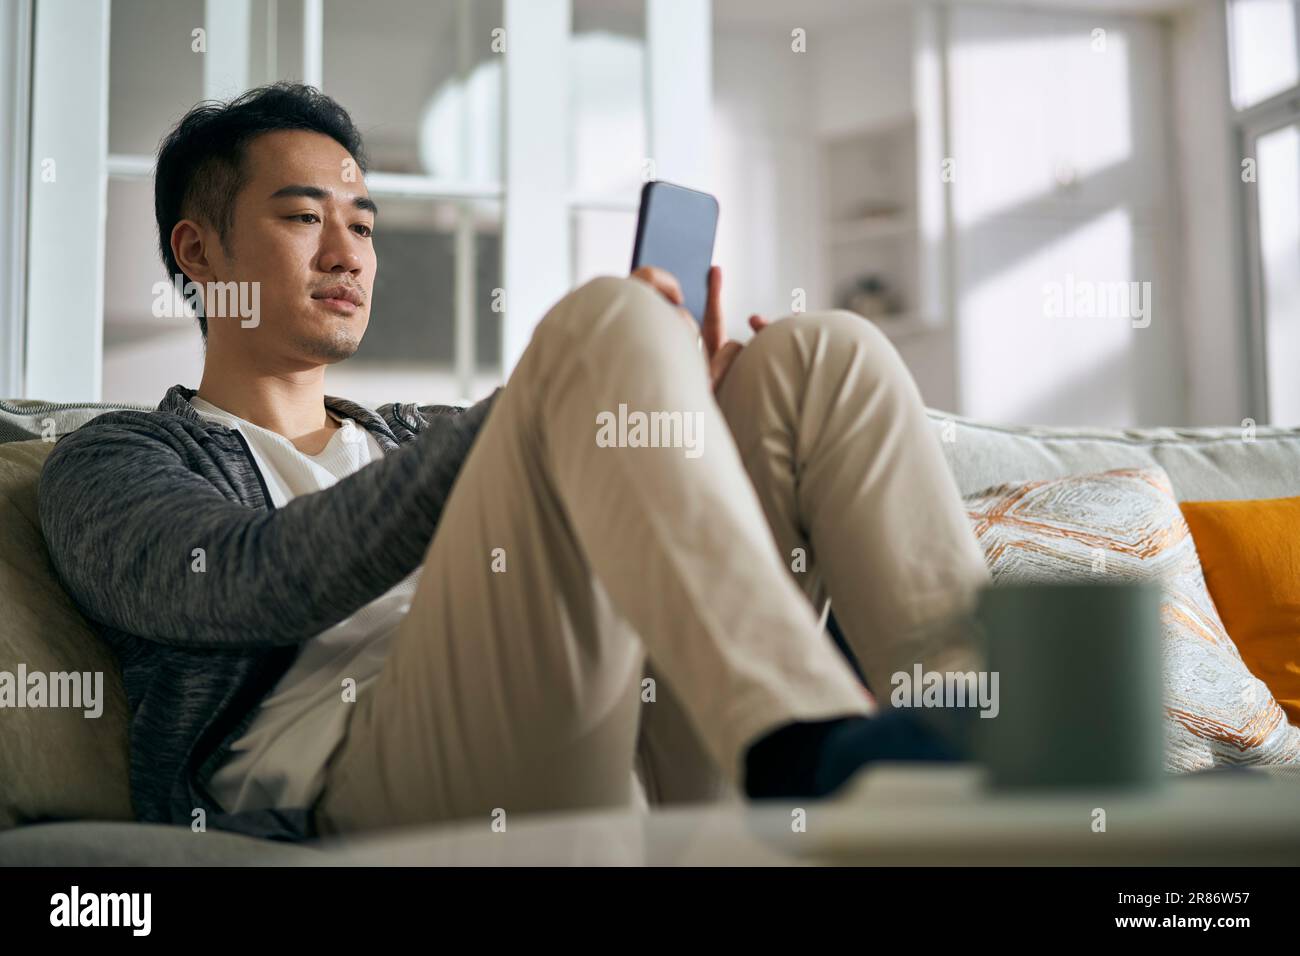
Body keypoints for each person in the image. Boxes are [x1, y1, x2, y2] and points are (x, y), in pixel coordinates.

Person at [38, 83, 990, 842]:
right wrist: (565, 385)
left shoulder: (423, 429)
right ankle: (808, 748)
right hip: (367, 779)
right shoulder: (118, 458)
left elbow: (640, 541)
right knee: (605, 323)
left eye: (364, 225)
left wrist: (669, 406)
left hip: (614, 731)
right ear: (199, 251)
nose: (348, 252)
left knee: (821, 357)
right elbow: (242, 584)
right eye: (302, 219)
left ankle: (990, 733)